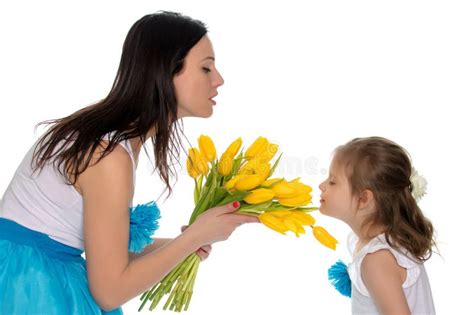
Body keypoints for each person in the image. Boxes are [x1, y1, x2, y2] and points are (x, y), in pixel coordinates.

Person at [0, 11, 257, 314]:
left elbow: (106, 250)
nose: (219, 80)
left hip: (27, 271)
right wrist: (196, 236)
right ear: (165, 71)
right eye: (205, 68)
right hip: (30, 285)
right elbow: (110, 291)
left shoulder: (110, 136)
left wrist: (186, 241)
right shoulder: (107, 155)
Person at [319, 137, 436, 314]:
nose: (322, 186)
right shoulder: (375, 243)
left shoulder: (377, 259)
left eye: (333, 181)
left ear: (363, 198)